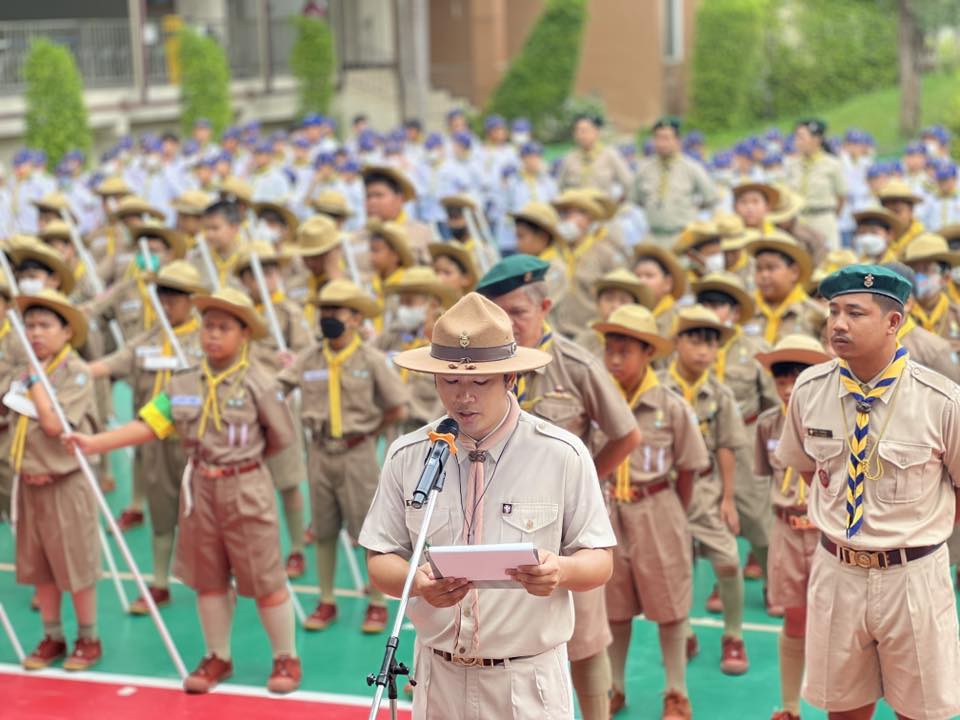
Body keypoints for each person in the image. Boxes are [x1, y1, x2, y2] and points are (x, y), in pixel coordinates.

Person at [359, 291, 616, 720]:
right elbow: (379, 557)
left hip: (526, 681)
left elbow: (600, 561)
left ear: (510, 379)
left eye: (479, 382)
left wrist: (562, 571)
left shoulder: (561, 454)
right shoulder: (410, 455)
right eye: (450, 382)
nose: (463, 398)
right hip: (437, 677)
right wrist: (418, 584)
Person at [66, 288, 301, 694]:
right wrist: (95, 443)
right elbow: (151, 424)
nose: (212, 335)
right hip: (200, 490)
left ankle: (285, 657)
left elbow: (281, 437)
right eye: (208, 326)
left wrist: (242, 462)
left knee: (265, 580)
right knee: (208, 580)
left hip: (246, 486)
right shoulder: (184, 382)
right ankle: (218, 656)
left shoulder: (259, 382)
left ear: (244, 334)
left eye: (223, 328)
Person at [776, 264, 960, 720]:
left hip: (913, 574)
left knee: (921, 712)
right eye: (833, 311)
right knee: (844, 710)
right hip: (839, 571)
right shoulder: (809, 389)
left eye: (854, 313)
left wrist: (919, 534)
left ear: (893, 322)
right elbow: (808, 469)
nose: (837, 323)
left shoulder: (941, 401)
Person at [476, 255, 641, 720]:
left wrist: (585, 480)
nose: (508, 324)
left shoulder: (575, 365)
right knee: (499, 625)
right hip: (495, 517)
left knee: (585, 637)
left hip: (564, 525)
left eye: (518, 313)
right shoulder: (484, 367)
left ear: (544, 306)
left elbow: (626, 433)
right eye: (498, 314)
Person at [594, 303, 710, 720]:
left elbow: (690, 467)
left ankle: (676, 692)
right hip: (608, 509)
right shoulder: (598, 402)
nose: (615, 359)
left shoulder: (671, 405)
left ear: (648, 354)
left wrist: (669, 510)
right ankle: (614, 685)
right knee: (614, 605)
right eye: (610, 350)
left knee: (670, 606)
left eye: (625, 350)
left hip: (657, 505)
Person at [279, 279, 408, 633]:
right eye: (323, 311)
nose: (327, 318)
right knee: (322, 528)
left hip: (358, 452)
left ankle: (378, 601)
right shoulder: (309, 357)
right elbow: (279, 387)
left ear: (354, 318)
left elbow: (397, 405)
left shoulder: (371, 359)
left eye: (335, 311)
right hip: (320, 451)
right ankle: (327, 599)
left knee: (369, 531)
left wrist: (370, 431)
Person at [87, 261, 206, 611]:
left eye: (175, 299)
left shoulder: (204, 340)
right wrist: (77, 369)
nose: (166, 306)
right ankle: (158, 582)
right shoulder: (147, 341)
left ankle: (208, 579)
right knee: (161, 513)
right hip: (154, 442)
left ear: (192, 301)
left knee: (201, 515)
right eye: (162, 298)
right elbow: (111, 363)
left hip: (195, 444)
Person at [12, 290, 101, 671]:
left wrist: (33, 379)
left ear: (67, 332)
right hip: (30, 482)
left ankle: (88, 638)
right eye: (30, 326)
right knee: (41, 568)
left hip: (65, 484)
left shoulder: (74, 373)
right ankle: (52, 636)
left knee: (75, 567)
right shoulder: (26, 373)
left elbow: (53, 425)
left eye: (45, 325)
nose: (35, 333)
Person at [660, 305, 750, 674]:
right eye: (694, 341)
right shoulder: (659, 389)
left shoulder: (720, 394)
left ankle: (733, 635)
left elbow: (726, 446)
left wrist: (729, 498)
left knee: (728, 561)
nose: (702, 351)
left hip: (706, 489)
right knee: (675, 568)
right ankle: (684, 631)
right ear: (676, 343)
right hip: (664, 491)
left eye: (710, 344)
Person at [753, 334, 832, 720]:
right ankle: (789, 707)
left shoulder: (834, 423)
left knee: (838, 621)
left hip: (824, 532)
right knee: (794, 618)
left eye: (796, 379)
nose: (787, 389)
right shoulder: (768, 425)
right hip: (786, 529)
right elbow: (767, 473)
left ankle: (841, 704)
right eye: (781, 381)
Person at [693, 272, 779, 594]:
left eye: (720, 305)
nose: (713, 311)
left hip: (744, 438)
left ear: (734, 313)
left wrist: (772, 448)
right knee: (712, 516)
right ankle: (724, 582)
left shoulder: (754, 350)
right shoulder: (688, 347)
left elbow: (773, 404)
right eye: (706, 303)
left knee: (757, 518)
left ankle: (774, 583)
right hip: (700, 441)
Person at [234, 242, 313, 578]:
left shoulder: (289, 313)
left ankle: (295, 547)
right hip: (241, 407)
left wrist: (294, 362)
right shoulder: (238, 314)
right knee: (247, 484)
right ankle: (257, 550)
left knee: (288, 481)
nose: (262, 279)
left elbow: (308, 353)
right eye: (253, 274)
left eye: (268, 271)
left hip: (278, 403)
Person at [633, 117, 717, 245]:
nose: (662, 143)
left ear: (677, 141)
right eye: (658, 138)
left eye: (666, 138)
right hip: (653, 235)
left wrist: (693, 212)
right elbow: (635, 200)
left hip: (682, 236)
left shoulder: (691, 168)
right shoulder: (644, 169)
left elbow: (710, 198)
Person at [550, 189, 622, 337]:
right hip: (556, 331)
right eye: (563, 214)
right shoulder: (554, 250)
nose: (567, 220)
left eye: (572, 214)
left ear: (589, 218)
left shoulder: (605, 253)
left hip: (588, 333)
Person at [743, 231, 823, 343]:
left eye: (771, 268)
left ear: (794, 272)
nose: (764, 275)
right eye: (759, 269)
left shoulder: (814, 315)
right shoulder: (745, 311)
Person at [784, 119, 846, 251]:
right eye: (796, 136)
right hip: (799, 220)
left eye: (801, 137)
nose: (797, 141)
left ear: (816, 140)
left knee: (828, 260)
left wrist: (832, 215)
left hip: (823, 218)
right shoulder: (792, 165)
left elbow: (841, 196)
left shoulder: (832, 164)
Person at [573, 268, 654, 360]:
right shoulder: (584, 341)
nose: (615, 306)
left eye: (623, 301)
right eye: (609, 299)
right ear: (598, 304)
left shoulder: (643, 344)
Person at [900, 233, 960, 350]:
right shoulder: (901, 314)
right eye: (913, 270)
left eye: (926, 270)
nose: (918, 277)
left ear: (945, 278)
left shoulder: (956, 315)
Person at [557, 113, 634, 198]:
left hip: (602, 208)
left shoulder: (609, 155)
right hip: (577, 208)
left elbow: (629, 183)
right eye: (577, 131)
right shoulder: (569, 158)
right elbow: (560, 188)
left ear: (596, 132)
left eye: (585, 131)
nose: (581, 135)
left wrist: (617, 204)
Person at [633, 243, 687, 336]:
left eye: (649, 275)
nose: (641, 281)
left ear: (667, 283)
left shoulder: (680, 319)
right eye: (637, 276)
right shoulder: (629, 313)